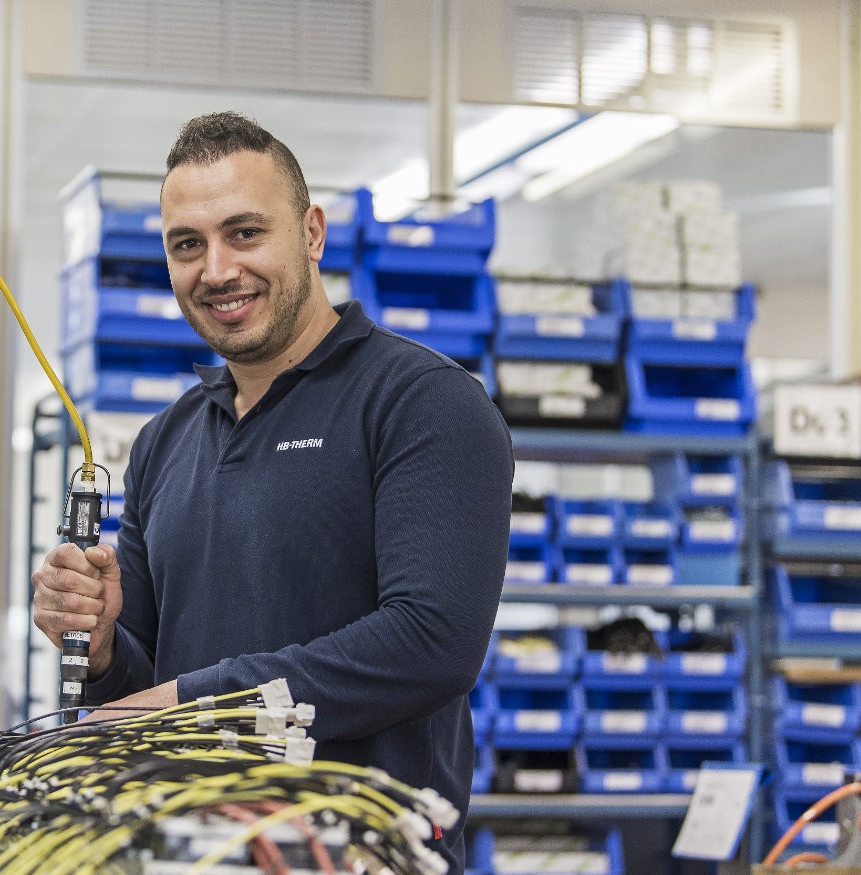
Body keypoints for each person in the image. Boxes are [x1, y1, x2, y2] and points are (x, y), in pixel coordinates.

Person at [32, 111, 513, 872]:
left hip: (359, 855)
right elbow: (143, 685)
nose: (217, 270)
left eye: (245, 233)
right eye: (187, 245)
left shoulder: (422, 403)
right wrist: (98, 650)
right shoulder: (165, 440)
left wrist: (193, 701)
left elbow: (431, 644)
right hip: (189, 852)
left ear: (312, 233)